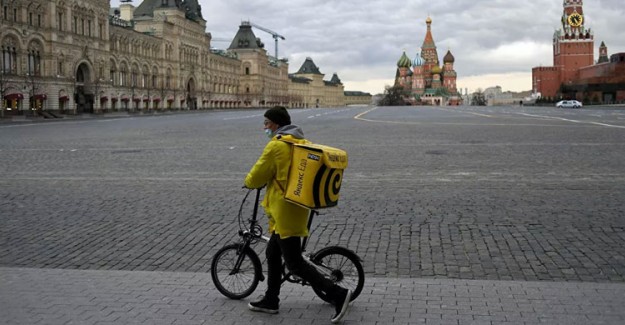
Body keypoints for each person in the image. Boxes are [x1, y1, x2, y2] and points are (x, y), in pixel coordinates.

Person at [244, 106, 352, 323]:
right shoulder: (301, 142)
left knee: (294, 264)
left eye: (266, 123)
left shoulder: (276, 146)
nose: (265, 127)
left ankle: (338, 294)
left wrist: (247, 183)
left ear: (275, 124)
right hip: (296, 206)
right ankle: (271, 300)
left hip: (284, 212)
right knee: (273, 254)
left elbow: (257, 175)